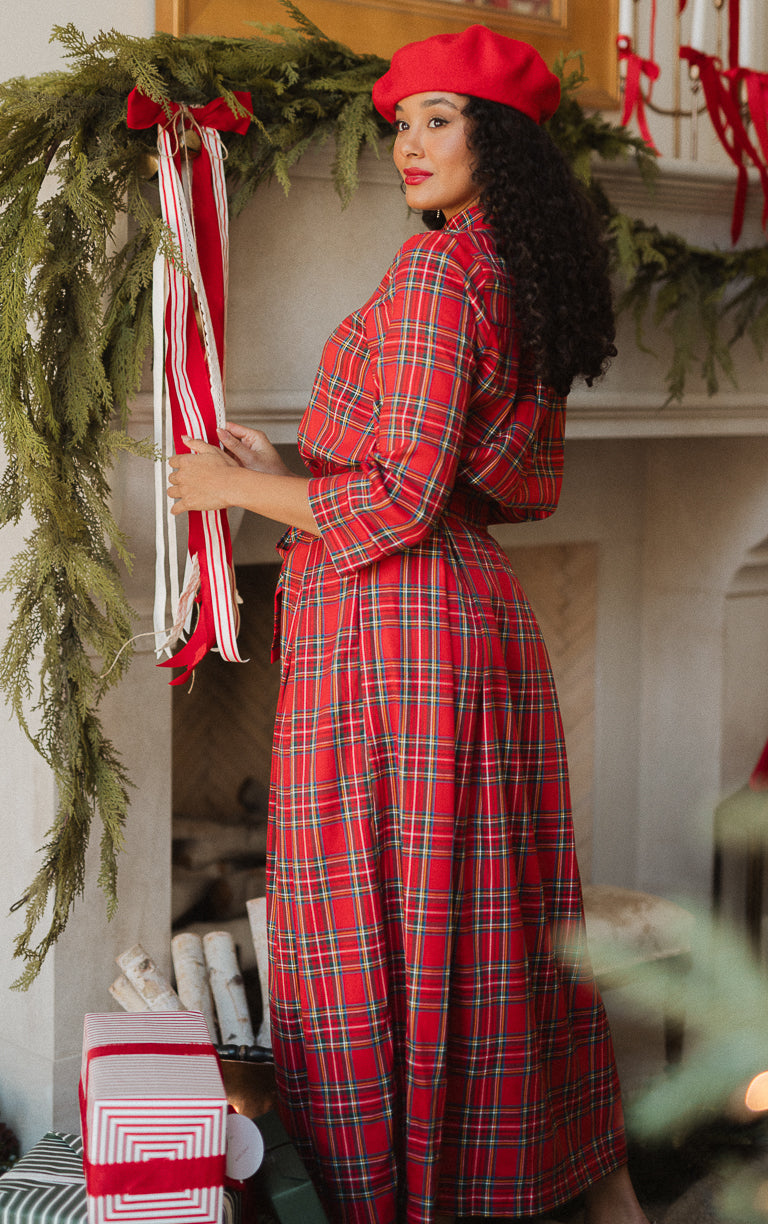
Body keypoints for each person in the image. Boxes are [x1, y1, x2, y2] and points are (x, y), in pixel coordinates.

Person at [168, 24, 653, 1224]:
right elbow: (453, 481)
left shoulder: (440, 273)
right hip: (461, 620)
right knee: (482, 932)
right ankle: (579, 1197)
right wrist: (287, 468)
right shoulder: (510, 268)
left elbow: (396, 502)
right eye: (401, 122)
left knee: (381, 938)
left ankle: (403, 1200)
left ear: (500, 137)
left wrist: (234, 492)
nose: (409, 143)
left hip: (395, 638)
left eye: (439, 118)